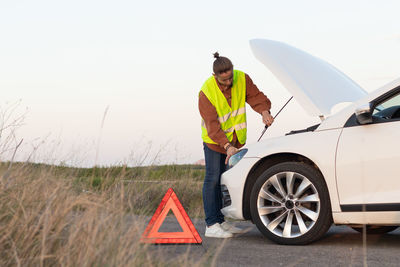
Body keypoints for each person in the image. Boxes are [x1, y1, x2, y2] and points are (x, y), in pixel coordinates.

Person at [198, 52, 274, 238]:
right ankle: (211, 224)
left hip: (235, 140)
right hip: (215, 142)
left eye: (230, 77)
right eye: (224, 80)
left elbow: (256, 96)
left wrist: (264, 112)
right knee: (213, 179)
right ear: (215, 76)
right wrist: (226, 146)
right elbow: (212, 125)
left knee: (225, 180)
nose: (229, 82)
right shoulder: (206, 92)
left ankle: (222, 222)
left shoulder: (241, 78)